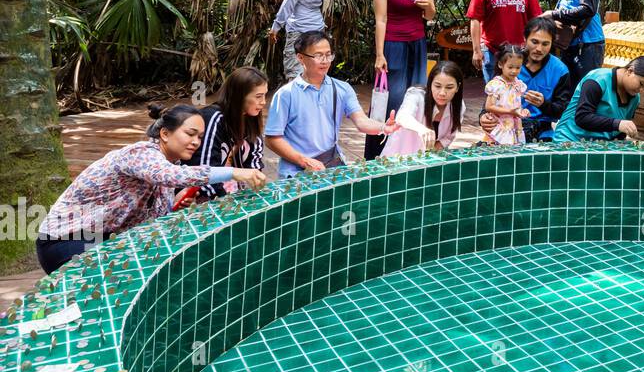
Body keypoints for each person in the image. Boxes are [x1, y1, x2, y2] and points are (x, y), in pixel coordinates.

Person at [35, 104, 267, 273]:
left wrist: (175, 208)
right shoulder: (141, 154)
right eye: (190, 134)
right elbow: (171, 176)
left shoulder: (169, 168)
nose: (196, 142)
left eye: (200, 137)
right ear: (165, 134)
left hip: (103, 239)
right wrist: (235, 171)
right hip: (64, 240)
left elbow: (149, 222)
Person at [266, 31, 398, 176]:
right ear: (300, 58)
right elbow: (272, 139)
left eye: (328, 55)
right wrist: (303, 160)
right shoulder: (286, 94)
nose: (325, 60)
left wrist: (384, 127)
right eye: (318, 55)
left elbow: (361, 121)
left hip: (331, 165)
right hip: (295, 171)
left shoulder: (342, 88)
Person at [368, 0, 436, 158]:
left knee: (417, 96)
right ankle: (379, 152)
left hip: (417, 43)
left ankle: (409, 150)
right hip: (393, 44)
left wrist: (429, 7)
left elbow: (430, 16)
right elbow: (381, 19)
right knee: (393, 99)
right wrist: (380, 54)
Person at [183, 66, 269, 202]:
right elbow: (203, 171)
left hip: (232, 191)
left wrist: (258, 189)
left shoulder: (251, 119)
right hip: (205, 199)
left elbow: (254, 164)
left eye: (265, 95)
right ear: (239, 96)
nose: (263, 102)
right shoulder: (214, 118)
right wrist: (226, 204)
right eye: (258, 96)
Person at [466, 0, 542, 86]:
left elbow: (536, 19)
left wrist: (534, 46)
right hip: (491, 50)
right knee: (495, 93)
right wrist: (476, 50)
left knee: (518, 92)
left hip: (520, 52)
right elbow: (475, 19)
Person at [552, 56, 644, 142]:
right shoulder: (598, 80)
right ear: (630, 71)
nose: (642, 90)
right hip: (569, 141)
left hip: (598, 148)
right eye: (641, 84)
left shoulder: (635, 99)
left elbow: (619, 132)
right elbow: (582, 117)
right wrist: (617, 124)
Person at [382, 62, 466, 156]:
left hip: (426, 160)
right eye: (437, 86)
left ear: (457, 87)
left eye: (449, 87)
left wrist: (429, 155)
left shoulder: (459, 106)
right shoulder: (416, 94)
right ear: (430, 84)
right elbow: (403, 116)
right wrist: (422, 129)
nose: (442, 93)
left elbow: (447, 138)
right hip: (398, 157)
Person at [481, 44, 529, 146]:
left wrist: (523, 111)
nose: (514, 71)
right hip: (499, 123)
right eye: (510, 67)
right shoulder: (496, 85)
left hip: (514, 125)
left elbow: (517, 104)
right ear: (500, 65)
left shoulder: (518, 84)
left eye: (518, 67)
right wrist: (510, 111)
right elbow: (489, 106)